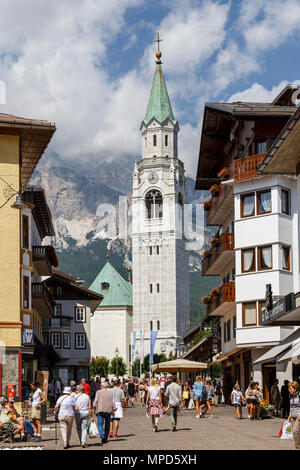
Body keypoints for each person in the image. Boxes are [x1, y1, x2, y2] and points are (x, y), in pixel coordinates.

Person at [288, 381, 300, 450]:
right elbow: (291, 406)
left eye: (290, 388)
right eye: (289, 388)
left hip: (298, 417)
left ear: (295, 389)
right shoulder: (290, 396)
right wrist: (290, 415)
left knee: (295, 431)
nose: (289, 390)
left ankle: (297, 448)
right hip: (293, 417)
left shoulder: (299, 395)